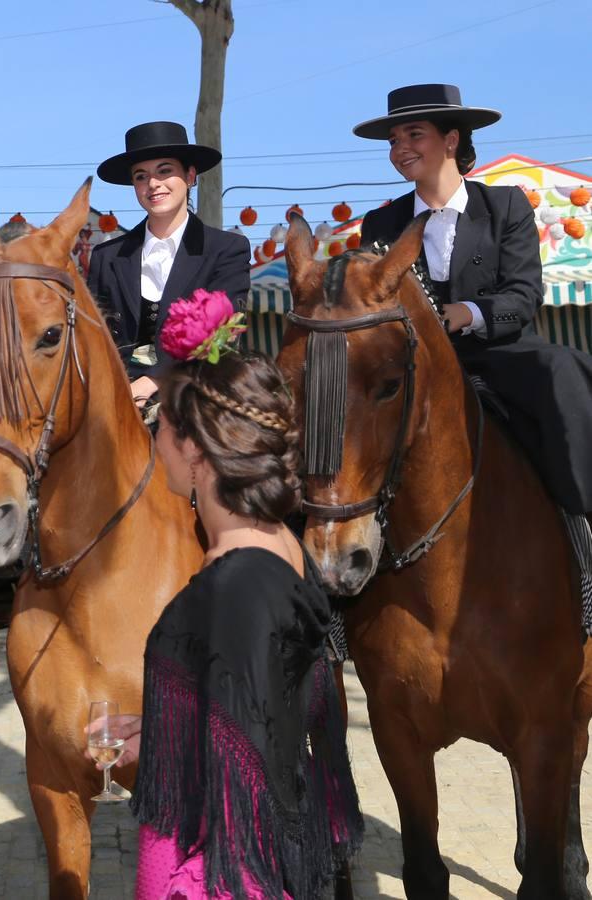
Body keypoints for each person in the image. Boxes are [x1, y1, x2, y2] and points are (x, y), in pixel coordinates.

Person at [91, 291, 362, 899]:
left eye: (159, 424)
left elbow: (251, 776)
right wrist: (161, 728)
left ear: (193, 450)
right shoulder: (274, 549)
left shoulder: (238, 582)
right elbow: (259, 706)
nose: (153, 440)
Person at [355, 83, 592, 631]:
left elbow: (523, 294)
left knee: (562, 368)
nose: (399, 148)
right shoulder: (379, 225)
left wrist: (465, 313)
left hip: (495, 355)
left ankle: (581, 514)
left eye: (413, 134)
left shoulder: (504, 204)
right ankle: (329, 593)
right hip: (413, 369)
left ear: (451, 139)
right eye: (393, 139)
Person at [88, 121, 251, 408]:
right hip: (117, 402)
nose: (153, 184)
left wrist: (151, 382)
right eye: (141, 176)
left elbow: (220, 335)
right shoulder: (106, 256)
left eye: (165, 171)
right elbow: (93, 337)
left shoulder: (226, 249)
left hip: (198, 400)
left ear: (190, 176)